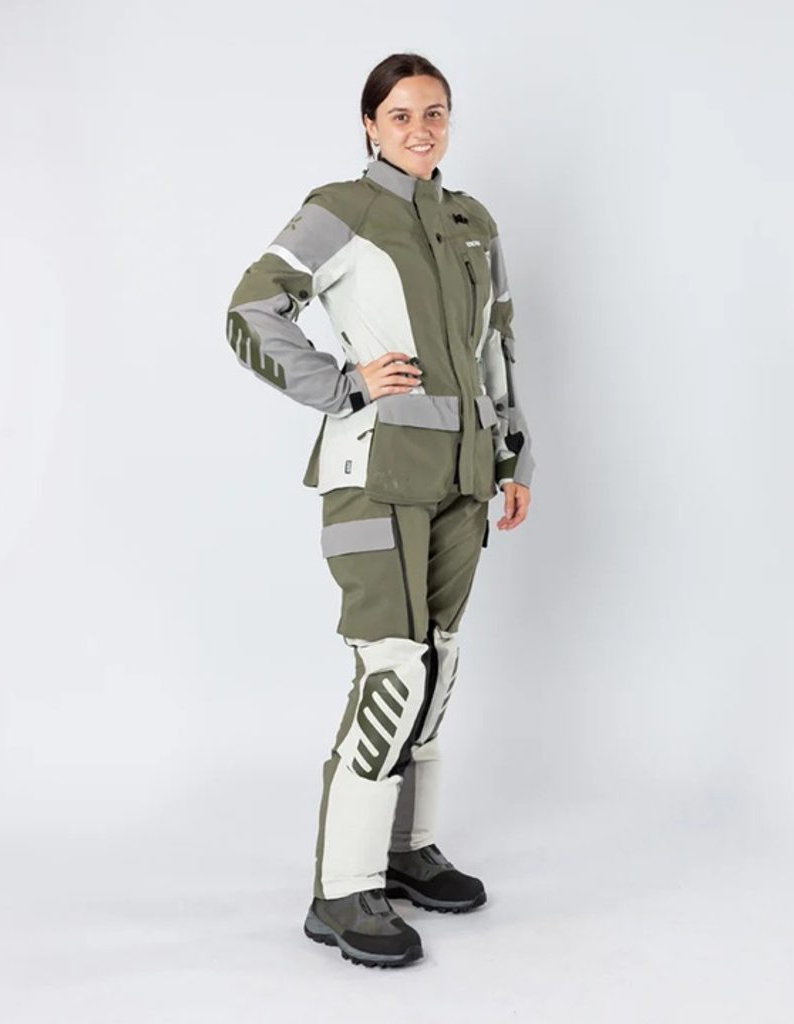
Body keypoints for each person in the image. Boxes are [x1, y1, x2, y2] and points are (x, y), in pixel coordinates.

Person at [224, 53, 535, 968]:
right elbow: (251, 310)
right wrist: (343, 383)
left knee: (438, 662)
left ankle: (406, 853)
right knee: (392, 668)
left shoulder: (473, 222)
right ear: (370, 124)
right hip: (374, 476)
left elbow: (498, 348)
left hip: (463, 478)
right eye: (400, 115)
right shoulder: (341, 209)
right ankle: (342, 890)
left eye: (434, 113)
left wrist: (512, 457)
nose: (420, 129)